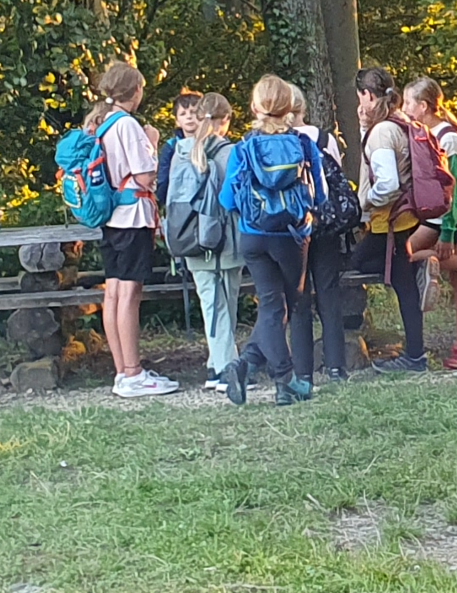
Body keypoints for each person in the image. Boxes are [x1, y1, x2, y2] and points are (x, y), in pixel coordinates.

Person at [219, 74, 323, 406]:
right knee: (284, 307)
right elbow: (319, 194)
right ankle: (285, 381)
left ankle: (247, 365)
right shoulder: (303, 145)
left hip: (253, 236)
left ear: (254, 107)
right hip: (292, 236)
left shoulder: (243, 148)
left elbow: (226, 199)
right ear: (290, 107)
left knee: (270, 306)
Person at [83, 61, 179, 397]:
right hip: (133, 217)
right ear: (134, 91)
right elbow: (145, 176)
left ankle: (122, 370)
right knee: (128, 295)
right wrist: (151, 141)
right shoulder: (127, 125)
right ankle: (134, 372)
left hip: (110, 217)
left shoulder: (100, 122)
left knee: (112, 293)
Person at [402, 77, 457, 370]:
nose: (404, 109)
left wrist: (448, 232)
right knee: (405, 252)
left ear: (423, 106)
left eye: (408, 103)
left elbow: (455, 188)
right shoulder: (427, 135)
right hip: (437, 214)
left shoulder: (449, 140)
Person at [352, 67, 427, 374]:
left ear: (367, 95)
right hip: (406, 219)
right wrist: (363, 127)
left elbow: (387, 183)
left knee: (361, 265)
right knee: (403, 284)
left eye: (360, 95)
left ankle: (415, 357)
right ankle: (415, 353)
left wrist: (365, 202)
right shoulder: (399, 122)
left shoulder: (383, 131)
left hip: (391, 223)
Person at [175, 92, 244, 392]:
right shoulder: (231, 153)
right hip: (226, 240)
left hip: (192, 237)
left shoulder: (181, 151)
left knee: (211, 305)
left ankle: (216, 365)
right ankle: (227, 370)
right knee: (226, 304)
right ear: (226, 120)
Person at [284, 82, 350, 383]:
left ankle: (303, 371)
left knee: (298, 297)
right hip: (325, 223)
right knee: (328, 291)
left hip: (292, 227)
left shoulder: (276, 141)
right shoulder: (324, 138)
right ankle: (336, 365)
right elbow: (337, 177)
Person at [156, 88, 202, 205]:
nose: (189, 117)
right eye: (183, 114)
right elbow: (163, 178)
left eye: (193, 112)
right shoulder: (171, 146)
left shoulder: (211, 144)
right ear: (177, 121)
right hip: (178, 203)